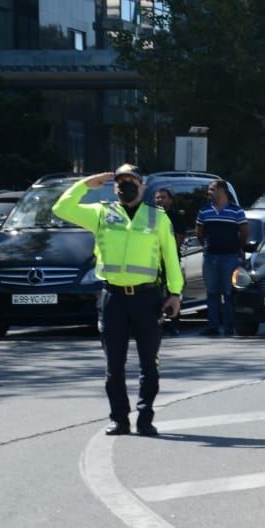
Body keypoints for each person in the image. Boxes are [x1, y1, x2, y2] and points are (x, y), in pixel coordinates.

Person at [53, 165, 182, 436]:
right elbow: (61, 208)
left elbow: (170, 257)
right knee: (114, 366)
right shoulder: (102, 213)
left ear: (142, 186)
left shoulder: (156, 217)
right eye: (121, 182)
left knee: (149, 363)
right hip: (113, 298)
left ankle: (145, 417)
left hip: (147, 298)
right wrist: (88, 183)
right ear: (114, 187)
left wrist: (175, 294)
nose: (126, 186)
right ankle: (119, 419)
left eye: (131, 181)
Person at [195, 179, 246, 336]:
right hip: (210, 257)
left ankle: (229, 326)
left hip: (229, 257)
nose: (209, 192)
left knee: (229, 293)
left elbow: (244, 232)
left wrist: (237, 248)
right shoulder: (204, 211)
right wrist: (208, 246)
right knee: (211, 293)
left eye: (212, 189)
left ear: (222, 191)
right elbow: (199, 232)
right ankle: (213, 326)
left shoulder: (236, 211)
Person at [153, 188, 187, 336]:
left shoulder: (176, 218)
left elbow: (179, 239)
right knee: (155, 295)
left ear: (170, 200)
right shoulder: (151, 217)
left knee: (173, 293)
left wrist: (167, 254)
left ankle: (174, 324)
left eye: (163, 197)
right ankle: (156, 323)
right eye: (157, 197)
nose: (160, 200)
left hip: (170, 262)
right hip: (153, 263)